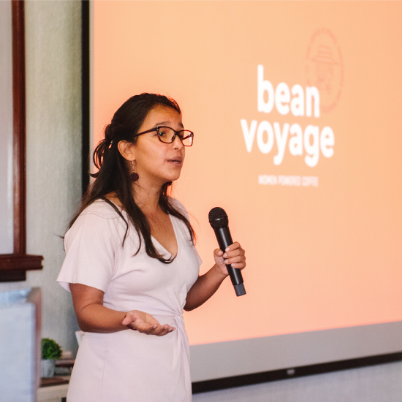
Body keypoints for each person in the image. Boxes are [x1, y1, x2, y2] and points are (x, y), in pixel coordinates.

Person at [57, 93, 247, 402]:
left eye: (181, 134)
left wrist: (220, 270)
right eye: (163, 133)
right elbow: (86, 311)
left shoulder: (177, 214)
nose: (178, 145)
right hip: (116, 380)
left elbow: (181, 300)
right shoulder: (101, 219)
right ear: (127, 148)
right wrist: (128, 318)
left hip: (169, 373)